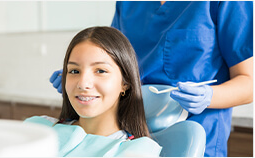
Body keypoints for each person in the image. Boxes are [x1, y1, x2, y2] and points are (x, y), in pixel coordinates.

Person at [50, 1, 253, 157]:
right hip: (128, 134)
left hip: (199, 135)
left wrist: (209, 96)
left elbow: (249, 83)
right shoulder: (128, 3)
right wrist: (81, 76)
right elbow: (110, 58)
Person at [26, 26, 162, 157]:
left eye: (101, 71)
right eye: (74, 71)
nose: (83, 83)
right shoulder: (38, 128)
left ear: (125, 83)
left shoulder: (137, 151)